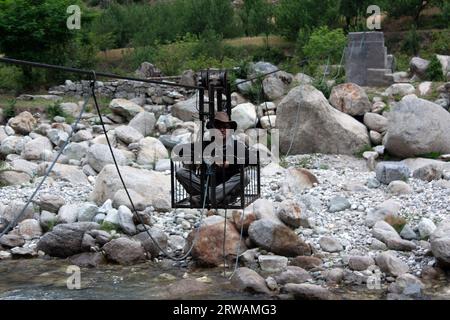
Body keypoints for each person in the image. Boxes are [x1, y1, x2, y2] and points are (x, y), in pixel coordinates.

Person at [175, 111, 251, 207]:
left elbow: (250, 159)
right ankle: (216, 197)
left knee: (245, 177)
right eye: (218, 127)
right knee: (181, 172)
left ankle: (204, 198)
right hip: (206, 185)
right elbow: (180, 150)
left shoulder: (236, 145)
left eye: (226, 127)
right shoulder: (206, 145)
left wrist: (229, 163)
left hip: (227, 187)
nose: (222, 130)